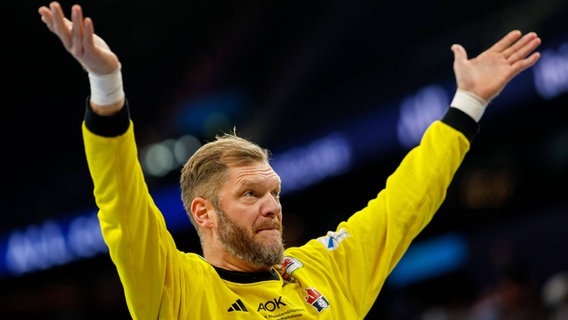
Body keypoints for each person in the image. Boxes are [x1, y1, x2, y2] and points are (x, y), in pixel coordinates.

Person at [38, 1, 542, 319]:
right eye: (251, 194)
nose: (272, 205)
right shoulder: (175, 291)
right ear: (203, 213)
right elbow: (123, 208)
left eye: (274, 191)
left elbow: (406, 202)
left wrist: (468, 104)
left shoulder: (324, 269)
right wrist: (107, 87)